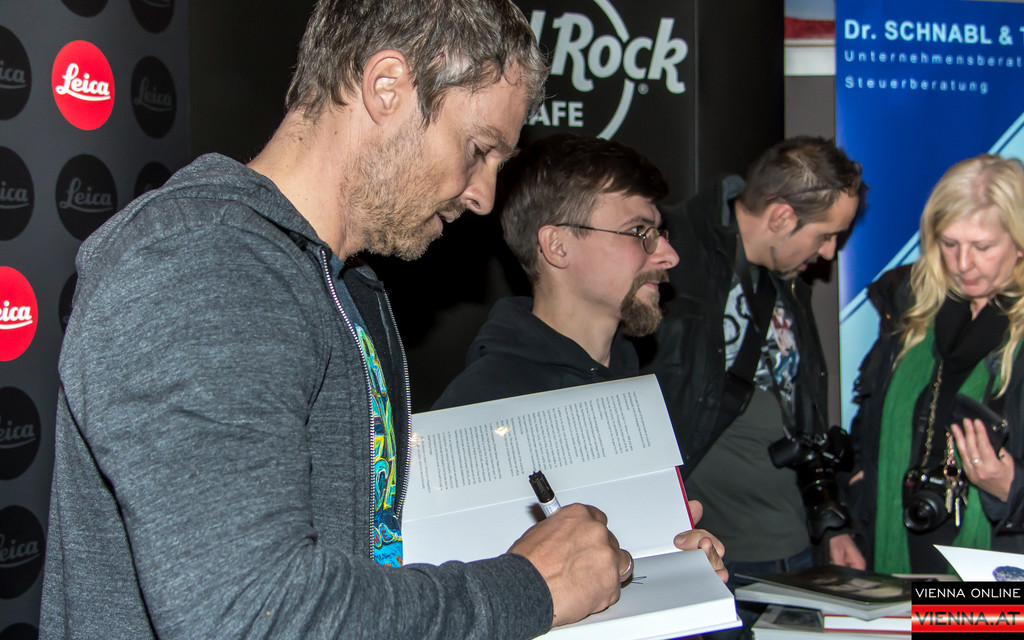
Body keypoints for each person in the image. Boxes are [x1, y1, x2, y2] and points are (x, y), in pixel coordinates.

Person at [39, 2, 636, 639]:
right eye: (478, 149)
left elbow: (360, 558)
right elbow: (252, 617)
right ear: (387, 87)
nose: (484, 196)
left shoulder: (341, 285)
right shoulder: (200, 264)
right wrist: (528, 587)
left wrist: (617, 553)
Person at [433, 134, 728, 579]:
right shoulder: (477, 409)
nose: (669, 255)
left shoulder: (636, 389)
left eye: (660, 233)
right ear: (557, 245)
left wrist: (680, 564)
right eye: (639, 232)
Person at [643, 136, 867, 636]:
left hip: (796, 550)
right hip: (715, 557)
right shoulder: (675, 254)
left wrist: (831, 522)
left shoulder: (784, 274)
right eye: (827, 235)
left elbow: (801, 406)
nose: (830, 252)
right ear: (782, 217)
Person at [849, 154, 1024, 574]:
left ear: (1019, 243)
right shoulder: (911, 310)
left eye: (982, 247)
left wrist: (1011, 487)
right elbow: (869, 431)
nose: (962, 264)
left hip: (998, 557)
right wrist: (853, 507)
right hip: (901, 543)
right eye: (949, 244)